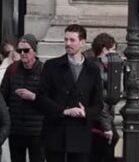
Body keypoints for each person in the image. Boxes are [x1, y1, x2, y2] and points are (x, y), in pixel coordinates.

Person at [38, 24, 103, 162]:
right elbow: (41, 98)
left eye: (72, 40)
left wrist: (85, 112)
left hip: (80, 133)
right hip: (56, 132)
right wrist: (64, 111)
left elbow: (98, 103)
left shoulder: (93, 69)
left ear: (82, 42)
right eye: (66, 39)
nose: (68, 43)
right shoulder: (52, 66)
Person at [0, 35, 45, 162]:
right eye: (19, 51)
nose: (23, 53)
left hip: (37, 130)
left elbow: (50, 100)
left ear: (34, 51)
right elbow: (2, 96)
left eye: (26, 50)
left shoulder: (44, 70)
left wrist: (33, 97)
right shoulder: (12, 69)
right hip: (16, 129)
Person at [89, 33, 120, 162]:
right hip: (99, 124)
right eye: (113, 50)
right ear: (105, 50)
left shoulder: (93, 66)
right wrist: (107, 127)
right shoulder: (99, 69)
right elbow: (100, 99)